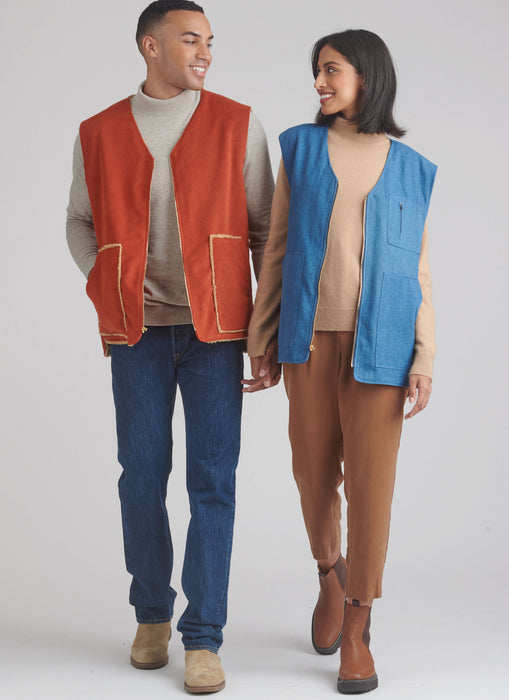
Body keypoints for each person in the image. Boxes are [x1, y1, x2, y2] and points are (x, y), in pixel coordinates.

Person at [66, 1, 273, 693]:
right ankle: (151, 614)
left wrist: (263, 331)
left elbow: (265, 230)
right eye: (191, 39)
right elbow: (78, 220)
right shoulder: (97, 131)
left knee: (213, 481)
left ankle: (203, 636)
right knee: (141, 475)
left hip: (217, 335)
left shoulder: (239, 123)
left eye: (210, 41)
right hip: (137, 335)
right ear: (149, 47)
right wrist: (104, 284)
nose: (205, 52)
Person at [244, 29, 437, 694]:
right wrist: (261, 336)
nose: (319, 83)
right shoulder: (299, 149)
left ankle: (357, 626)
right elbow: (275, 249)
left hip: (383, 347)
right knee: (311, 474)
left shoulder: (411, 168)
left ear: (366, 75)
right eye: (317, 72)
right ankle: (330, 572)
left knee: (371, 490)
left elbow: (417, 269)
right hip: (306, 340)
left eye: (330, 70)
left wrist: (425, 355)